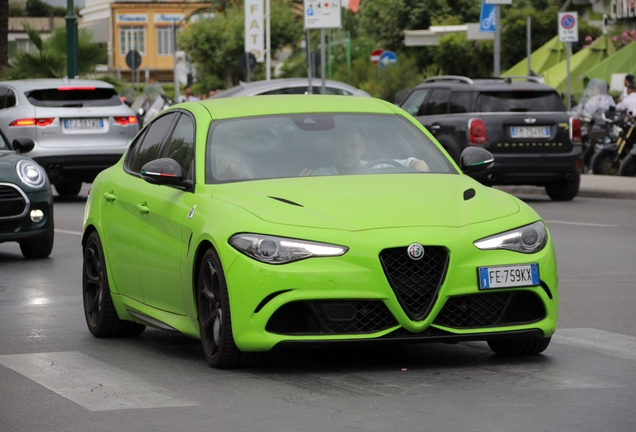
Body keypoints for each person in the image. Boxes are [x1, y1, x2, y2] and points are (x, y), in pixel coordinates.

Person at [300, 127, 429, 176]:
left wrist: (421, 182)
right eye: (341, 146)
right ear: (334, 148)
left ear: (362, 149)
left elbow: (418, 164)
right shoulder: (319, 176)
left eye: (353, 146)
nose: (347, 151)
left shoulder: (379, 168)